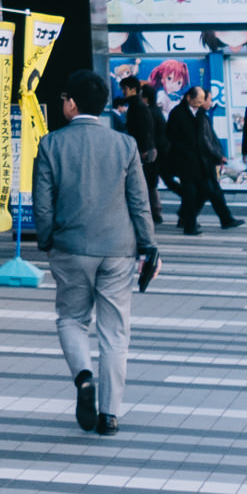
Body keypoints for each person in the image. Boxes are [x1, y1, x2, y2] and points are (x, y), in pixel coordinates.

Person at [33, 66, 156, 433]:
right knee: (115, 331)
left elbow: (43, 203)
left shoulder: (51, 143)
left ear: (71, 104)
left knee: (71, 318)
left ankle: (84, 377)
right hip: (119, 248)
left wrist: (46, 241)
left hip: (70, 247)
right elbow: (140, 201)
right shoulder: (124, 144)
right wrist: (149, 245)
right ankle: (110, 414)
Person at [168, 85, 237, 230]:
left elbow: (207, 138)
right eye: (198, 101)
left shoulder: (200, 114)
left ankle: (188, 219)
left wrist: (216, 156)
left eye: (202, 101)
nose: (201, 104)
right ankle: (190, 225)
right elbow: (172, 137)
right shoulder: (177, 113)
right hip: (185, 161)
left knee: (206, 190)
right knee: (191, 193)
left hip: (202, 161)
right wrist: (184, 151)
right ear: (189, 98)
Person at [118, 77, 166, 229]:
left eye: (124, 89)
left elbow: (145, 129)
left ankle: (152, 214)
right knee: (146, 183)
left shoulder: (137, 106)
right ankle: (153, 213)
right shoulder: (137, 105)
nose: (123, 92)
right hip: (144, 149)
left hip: (143, 151)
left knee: (144, 184)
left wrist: (144, 149)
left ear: (133, 89)